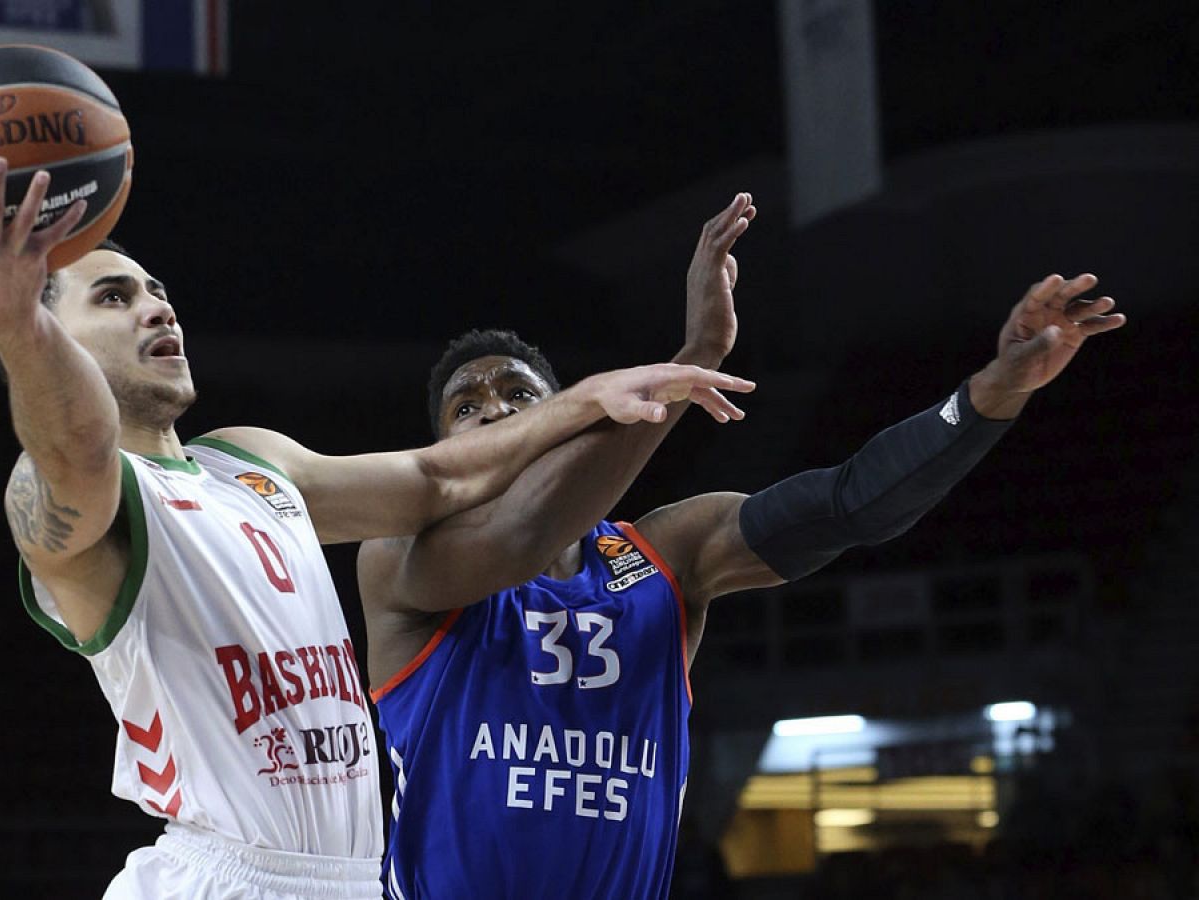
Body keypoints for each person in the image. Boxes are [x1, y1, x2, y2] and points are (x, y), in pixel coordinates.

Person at [0, 158, 756, 899]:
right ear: (58, 336)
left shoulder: (247, 461)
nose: (156, 309)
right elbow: (71, 444)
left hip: (351, 877)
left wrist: (587, 399)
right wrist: (16, 321)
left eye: (157, 291)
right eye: (114, 296)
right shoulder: (74, 496)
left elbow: (437, 477)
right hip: (222, 876)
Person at [359, 193, 1125, 899]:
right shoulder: (401, 562)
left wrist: (992, 394)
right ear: (442, 447)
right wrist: (696, 358)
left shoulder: (666, 554)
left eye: (521, 396)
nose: (496, 411)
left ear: (564, 416)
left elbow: (851, 503)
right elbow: (523, 535)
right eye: (469, 407)